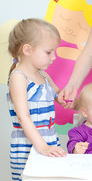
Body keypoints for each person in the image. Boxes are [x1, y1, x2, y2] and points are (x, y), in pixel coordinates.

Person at [7, 18, 67, 181]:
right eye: (49, 52)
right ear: (27, 50)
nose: (53, 57)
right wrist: (42, 147)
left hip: (49, 141)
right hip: (29, 146)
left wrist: (62, 97)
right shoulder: (18, 77)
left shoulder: (43, 75)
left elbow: (57, 94)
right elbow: (23, 116)